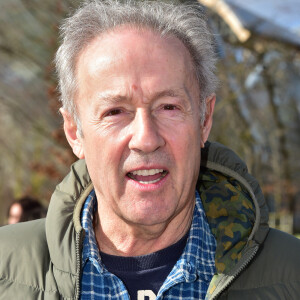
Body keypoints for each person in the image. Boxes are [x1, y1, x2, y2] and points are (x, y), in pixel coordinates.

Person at [0, 0, 299, 299]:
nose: (145, 138)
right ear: (74, 132)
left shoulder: (292, 276)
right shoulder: (6, 273)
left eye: (168, 107)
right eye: (115, 111)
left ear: (204, 119)